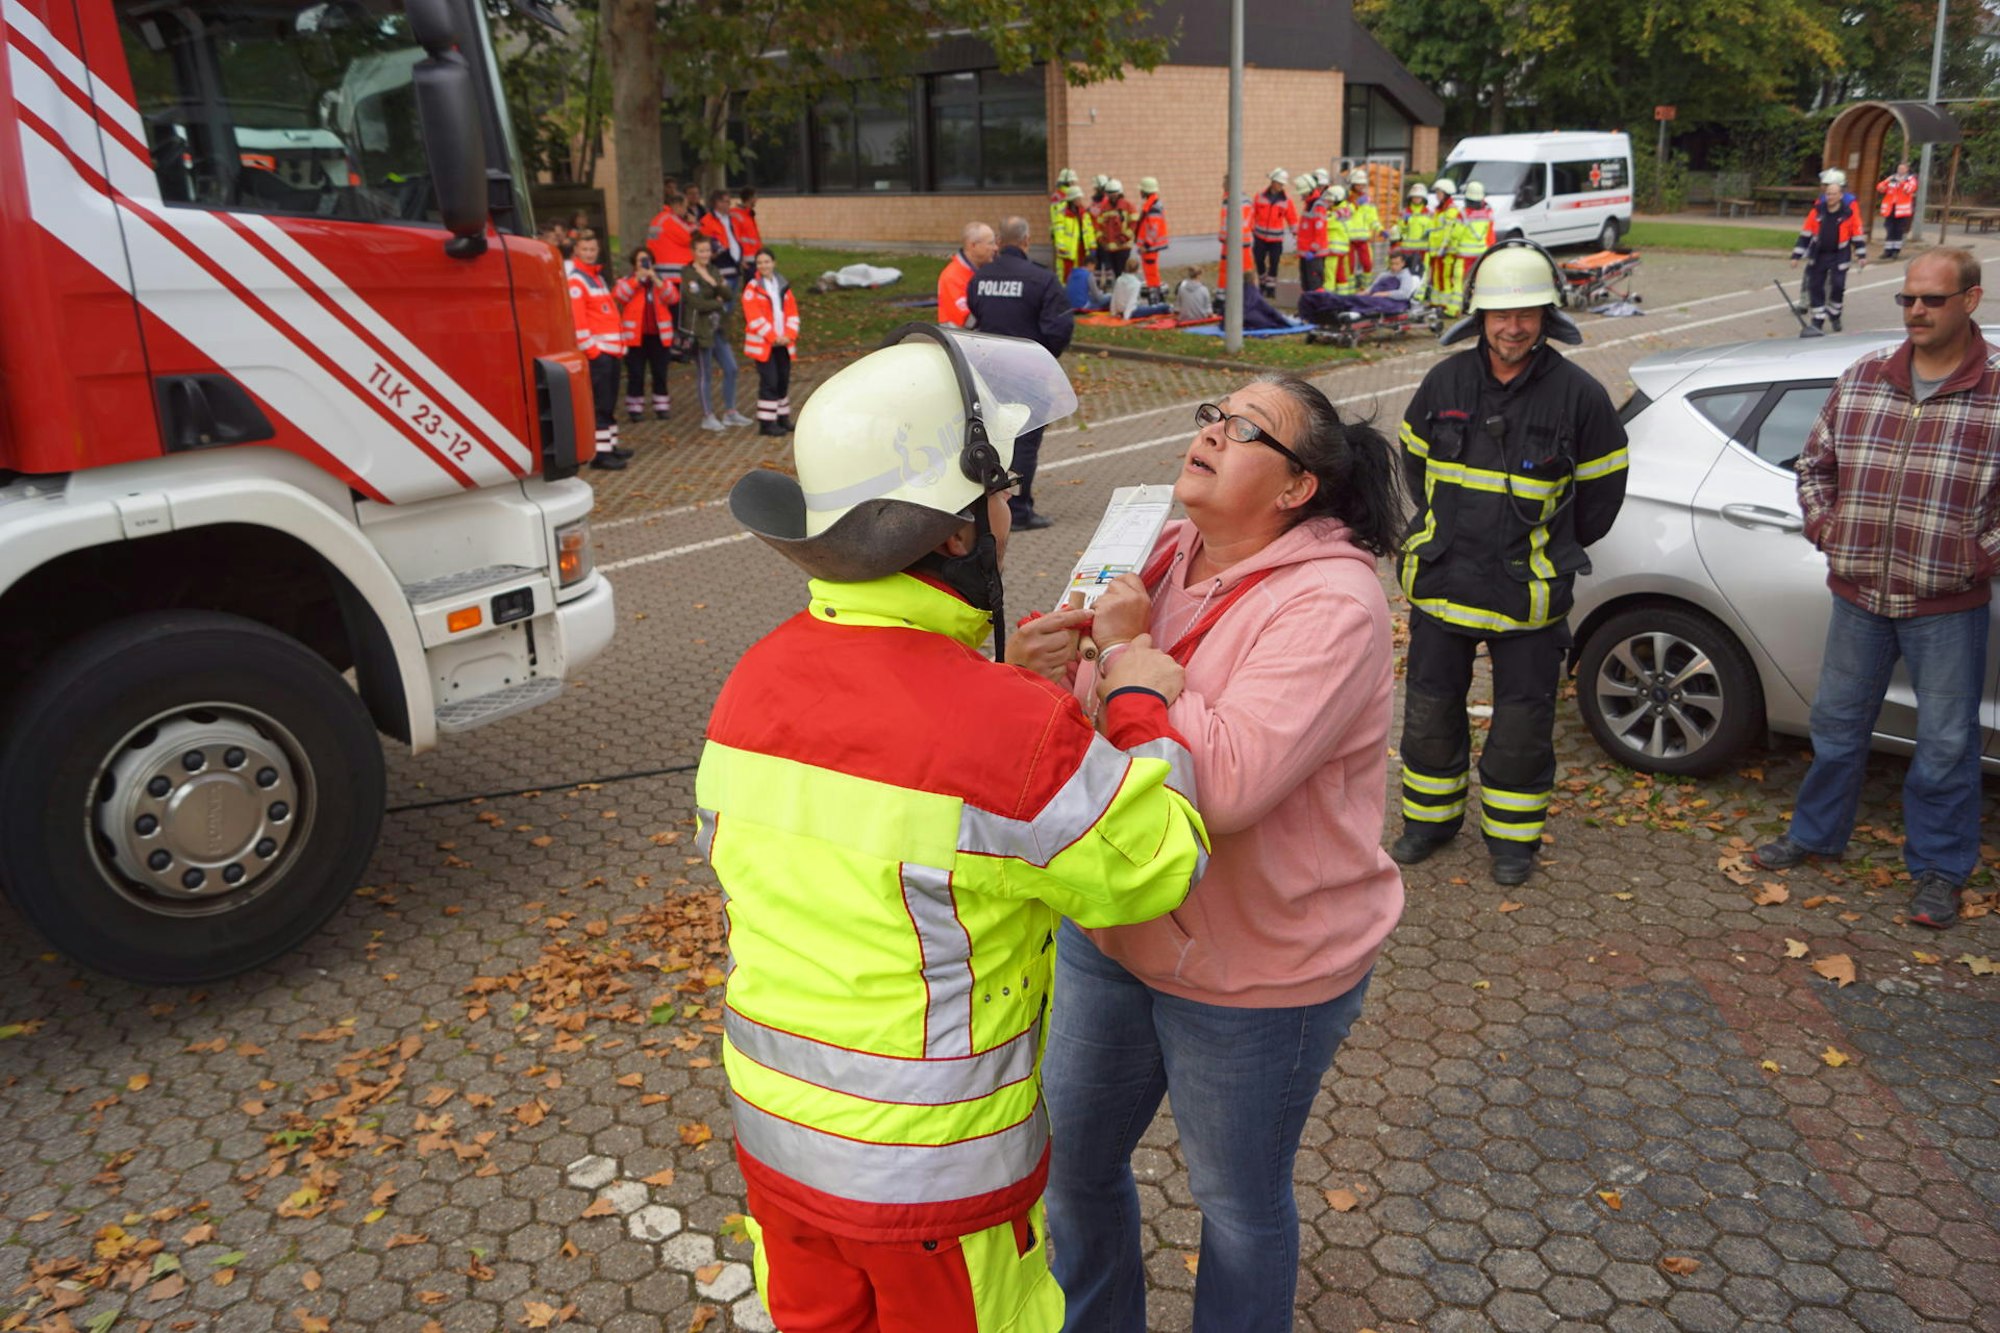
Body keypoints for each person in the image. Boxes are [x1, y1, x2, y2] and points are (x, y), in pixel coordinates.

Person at [700, 324, 1208, 1333]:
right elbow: (1158, 861)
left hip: (777, 1150)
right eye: (1000, 494)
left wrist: (1009, 687)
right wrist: (1136, 696)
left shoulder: (751, 679)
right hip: (934, 1194)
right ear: (955, 531)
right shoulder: (1007, 734)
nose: (1012, 510)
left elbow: (888, 783)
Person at [1013, 374, 1406, 1333]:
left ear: (1295, 487)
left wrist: (1127, 654)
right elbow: (1097, 717)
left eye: (1242, 428)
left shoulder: (1335, 605)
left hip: (1255, 971)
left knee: (1235, 1207)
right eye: (1211, 416)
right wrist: (1040, 676)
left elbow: (1221, 785)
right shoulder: (1166, 545)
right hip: (1112, 929)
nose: (1211, 432)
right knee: (1070, 1162)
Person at [1755, 249, 1999, 928]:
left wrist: (1979, 555)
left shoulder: (1996, 393)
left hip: (1945, 603)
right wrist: (1826, 525)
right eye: (1908, 299)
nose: (1917, 311)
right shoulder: (1865, 377)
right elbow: (1814, 464)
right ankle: (1815, 835)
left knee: (1948, 744)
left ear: (1970, 302)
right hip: (1859, 593)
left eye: (1933, 300)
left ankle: (1940, 871)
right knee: (1836, 727)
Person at [1390, 241, 1629, 886]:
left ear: (1548, 317)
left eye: (1528, 313)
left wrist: (1545, 547)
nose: (1514, 326)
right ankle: (1428, 824)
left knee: (1523, 724)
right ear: (1479, 317)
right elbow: (1416, 465)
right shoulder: (1444, 383)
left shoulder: (1581, 398)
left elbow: (1602, 499)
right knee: (1430, 713)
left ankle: (1512, 841)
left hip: (1528, 597)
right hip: (1443, 586)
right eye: (1501, 314)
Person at [968, 216, 1073, 531]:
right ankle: (1020, 511)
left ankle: (989, 507)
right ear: (1026, 241)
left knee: (993, 438)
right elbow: (1061, 325)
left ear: (1000, 241)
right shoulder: (1041, 279)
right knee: (1024, 442)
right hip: (1027, 373)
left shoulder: (981, 277)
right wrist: (1044, 355)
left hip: (987, 373)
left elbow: (975, 312)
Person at [565, 232, 628, 471]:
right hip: (599, 353)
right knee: (601, 404)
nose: (590, 253)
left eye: (593, 249)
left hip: (611, 352)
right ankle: (600, 455)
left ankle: (610, 445)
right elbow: (578, 322)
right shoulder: (577, 281)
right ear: (576, 251)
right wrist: (592, 351)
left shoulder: (596, 277)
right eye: (585, 250)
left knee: (609, 401)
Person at [682, 235, 750, 432]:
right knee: (706, 374)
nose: (705, 254)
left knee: (731, 368)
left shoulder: (713, 270)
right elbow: (695, 302)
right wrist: (717, 301)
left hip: (718, 328)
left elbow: (729, 295)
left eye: (707, 251)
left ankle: (730, 412)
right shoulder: (688, 273)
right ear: (693, 252)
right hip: (701, 331)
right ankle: (708, 415)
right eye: (701, 251)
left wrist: (713, 283)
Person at [1791, 175, 1868, 332]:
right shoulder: (1817, 212)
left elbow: (1857, 235)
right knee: (1815, 286)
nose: (1831, 197)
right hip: (1819, 255)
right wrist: (1796, 256)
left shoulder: (1848, 213)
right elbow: (1805, 234)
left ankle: (1835, 314)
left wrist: (1861, 255)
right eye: (1828, 194)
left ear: (1840, 195)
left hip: (1839, 256)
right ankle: (1818, 318)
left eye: (1834, 194)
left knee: (1838, 286)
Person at [613, 246, 677, 424]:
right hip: (635, 337)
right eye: (640, 260)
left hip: (658, 336)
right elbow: (620, 296)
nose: (644, 263)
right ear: (634, 264)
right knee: (636, 373)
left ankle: (661, 406)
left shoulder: (661, 281)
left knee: (660, 372)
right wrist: (637, 280)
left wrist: (655, 279)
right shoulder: (626, 281)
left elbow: (672, 298)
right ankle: (635, 408)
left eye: (646, 260)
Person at [741, 248, 800, 436]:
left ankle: (782, 418)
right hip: (764, 345)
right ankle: (766, 423)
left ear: (773, 263)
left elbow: (792, 312)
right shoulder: (752, 288)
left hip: (783, 342)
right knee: (770, 382)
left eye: (766, 262)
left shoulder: (782, 285)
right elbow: (754, 318)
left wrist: (789, 335)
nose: (763, 266)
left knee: (782, 380)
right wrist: (774, 337)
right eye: (759, 263)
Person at [1299, 251, 1420, 321]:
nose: (1394, 267)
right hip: (1374, 297)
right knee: (1351, 298)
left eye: (1397, 264)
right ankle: (1315, 301)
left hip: (1391, 302)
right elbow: (1371, 289)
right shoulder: (1385, 274)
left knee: (1353, 301)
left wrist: (1384, 294)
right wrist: (1363, 293)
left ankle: (1318, 301)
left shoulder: (1405, 276)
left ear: (1403, 264)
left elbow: (1404, 294)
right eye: (1392, 263)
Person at [937, 221, 997, 327]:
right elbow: (968, 321)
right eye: (990, 243)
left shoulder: (984, 272)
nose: (995, 248)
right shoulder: (952, 276)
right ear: (973, 246)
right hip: (960, 341)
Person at [1249, 168, 1296, 298]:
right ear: (1273, 182)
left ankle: (1271, 288)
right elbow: (1252, 214)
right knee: (1259, 260)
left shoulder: (1286, 200)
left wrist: (1295, 233)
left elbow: (1292, 218)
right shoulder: (1259, 196)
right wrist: (1250, 228)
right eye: (1279, 183)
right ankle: (1263, 282)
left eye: (1282, 184)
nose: (1281, 186)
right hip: (1260, 236)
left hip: (1276, 239)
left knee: (1274, 263)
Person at [1427, 178, 1463, 315]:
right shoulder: (1439, 209)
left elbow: (1448, 231)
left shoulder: (1450, 210)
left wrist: (1443, 247)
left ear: (1446, 193)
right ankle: (1436, 303)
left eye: (1439, 192)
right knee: (1437, 277)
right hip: (1437, 250)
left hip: (1446, 251)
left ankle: (1446, 305)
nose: (1437, 194)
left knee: (1445, 278)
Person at [645, 186, 696, 281]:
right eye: (685, 207)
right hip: (675, 270)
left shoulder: (658, 219)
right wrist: (693, 223)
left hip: (660, 267)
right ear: (677, 206)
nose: (686, 211)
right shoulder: (672, 219)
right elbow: (693, 238)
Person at [1294, 168, 1331, 295]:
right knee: (1306, 284)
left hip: (1314, 254)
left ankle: (1317, 311)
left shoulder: (1318, 206)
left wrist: (1313, 250)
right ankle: (1308, 309)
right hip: (1306, 254)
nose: (1301, 195)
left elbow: (1320, 232)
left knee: (1315, 285)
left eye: (1303, 193)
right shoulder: (1309, 204)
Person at [700, 189, 746, 290]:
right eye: (727, 202)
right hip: (720, 265)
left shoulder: (731, 219)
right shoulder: (707, 221)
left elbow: (735, 240)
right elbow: (704, 243)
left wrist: (740, 256)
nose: (729, 205)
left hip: (734, 265)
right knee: (723, 302)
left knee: (731, 301)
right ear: (718, 203)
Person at [1097, 179, 1139, 285]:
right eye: (1109, 193)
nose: (1112, 196)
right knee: (1115, 273)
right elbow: (1099, 226)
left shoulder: (1128, 206)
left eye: (1114, 193)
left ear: (1119, 192)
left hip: (1123, 246)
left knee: (1123, 271)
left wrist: (1124, 238)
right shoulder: (1104, 208)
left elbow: (1134, 224)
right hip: (1109, 247)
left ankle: (1125, 289)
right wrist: (1101, 240)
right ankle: (1119, 290)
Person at [1052, 186, 1097, 284]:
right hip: (1068, 250)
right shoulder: (1062, 213)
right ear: (1072, 200)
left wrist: (1092, 246)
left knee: (1082, 273)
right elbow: (1058, 231)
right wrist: (1061, 247)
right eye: (1078, 198)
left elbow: (1089, 230)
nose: (1080, 200)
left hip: (1082, 247)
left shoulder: (1084, 213)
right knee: (1066, 274)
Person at [1217, 178, 1256, 288]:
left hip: (1233, 240)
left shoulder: (1230, 201)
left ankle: (1225, 294)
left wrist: (1223, 237)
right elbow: (1251, 221)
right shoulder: (1245, 200)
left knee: (1228, 268)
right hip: (1243, 240)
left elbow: (1227, 223)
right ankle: (1248, 291)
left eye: (1224, 184)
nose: (1222, 186)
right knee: (1245, 269)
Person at [1346, 168, 1382, 282]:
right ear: (1352, 184)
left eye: (1362, 184)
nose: (1361, 187)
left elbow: (1373, 219)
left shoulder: (1367, 200)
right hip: (1348, 238)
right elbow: (1343, 213)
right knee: (1349, 266)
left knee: (1367, 264)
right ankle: (1349, 289)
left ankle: (1366, 286)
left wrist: (1381, 230)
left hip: (1363, 238)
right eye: (1358, 184)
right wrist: (1355, 204)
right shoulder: (1346, 198)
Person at [1877, 160, 1918, 261]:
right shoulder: (1892, 177)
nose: (1900, 170)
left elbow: (1911, 189)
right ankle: (1887, 250)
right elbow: (1880, 187)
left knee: (1898, 230)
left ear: (1907, 170)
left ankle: (1896, 251)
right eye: (1899, 168)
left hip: (1901, 210)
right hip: (1891, 208)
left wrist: (1901, 183)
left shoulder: (1910, 179)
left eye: (1902, 168)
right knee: (1889, 229)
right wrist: (1885, 184)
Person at [1136, 177, 1170, 297]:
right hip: (1151, 246)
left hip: (1150, 247)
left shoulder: (1153, 207)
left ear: (1145, 191)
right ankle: (1155, 296)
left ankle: (1154, 297)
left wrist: (1146, 245)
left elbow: (1153, 230)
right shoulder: (1152, 205)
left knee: (1151, 273)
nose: (1139, 192)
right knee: (1151, 272)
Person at [1395, 181, 1434, 282]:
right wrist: (1405, 223)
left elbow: (1433, 231)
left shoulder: (1429, 214)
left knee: (1422, 271)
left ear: (1423, 198)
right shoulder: (1404, 213)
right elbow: (1400, 230)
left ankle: (1420, 294)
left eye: (1419, 197)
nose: (1416, 199)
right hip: (1407, 250)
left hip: (1423, 250)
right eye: (1414, 197)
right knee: (1406, 272)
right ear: (1410, 198)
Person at [732, 187, 764, 267]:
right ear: (750, 198)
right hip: (746, 258)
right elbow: (735, 237)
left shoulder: (748, 213)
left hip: (755, 256)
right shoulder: (737, 214)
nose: (757, 199)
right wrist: (739, 257)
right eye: (755, 197)